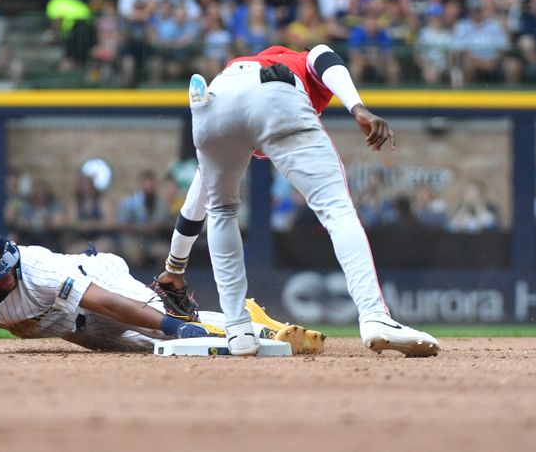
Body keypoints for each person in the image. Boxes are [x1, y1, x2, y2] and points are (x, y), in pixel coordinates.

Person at [147, 42, 439, 357]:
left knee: (220, 210)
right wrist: (357, 107)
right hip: (274, 89)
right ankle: (374, 317)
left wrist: (174, 268)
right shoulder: (296, 61)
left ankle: (238, 332)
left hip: (214, 98)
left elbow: (195, 205)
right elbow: (323, 55)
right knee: (336, 209)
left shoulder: (239, 76)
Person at [0, 221, 324, 354]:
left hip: (92, 283)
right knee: (146, 349)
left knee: (169, 333)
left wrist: (173, 323)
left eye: (5, 265)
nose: (5, 275)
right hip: (71, 326)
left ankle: (257, 324)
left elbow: (107, 302)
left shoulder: (34, 269)